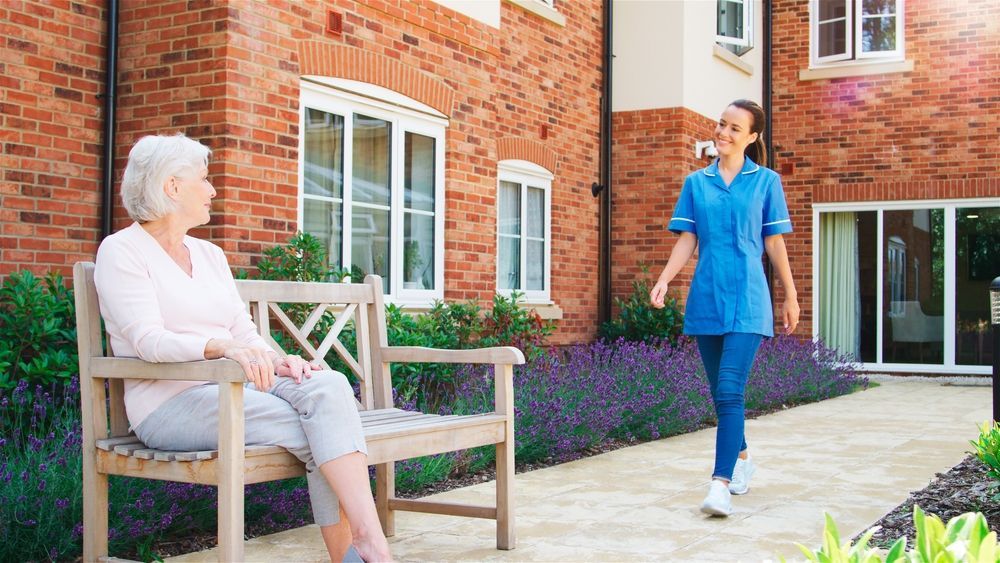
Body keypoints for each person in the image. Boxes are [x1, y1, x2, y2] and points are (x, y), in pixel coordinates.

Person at [94, 133, 393, 561]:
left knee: (329, 387)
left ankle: (368, 544)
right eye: (204, 178)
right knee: (325, 429)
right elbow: (147, 340)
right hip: (171, 403)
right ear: (172, 187)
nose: (213, 189)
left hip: (239, 389)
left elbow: (244, 330)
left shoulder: (210, 254)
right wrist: (219, 347)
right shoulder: (122, 252)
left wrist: (277, 359)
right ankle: (367, 552)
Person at [649, 99, 799, 517]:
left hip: (750, 300)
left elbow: (774, 242)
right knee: (721, 394)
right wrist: (665, 279)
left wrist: (790, 294)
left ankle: (720, 484)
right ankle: (744, 459)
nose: (723, 133)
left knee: (731, 389)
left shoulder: (766, 181)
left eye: (735, 128)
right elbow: (687, 239)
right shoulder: (697, 183)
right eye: (721, 125)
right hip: (707, 297)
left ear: (752, 137)